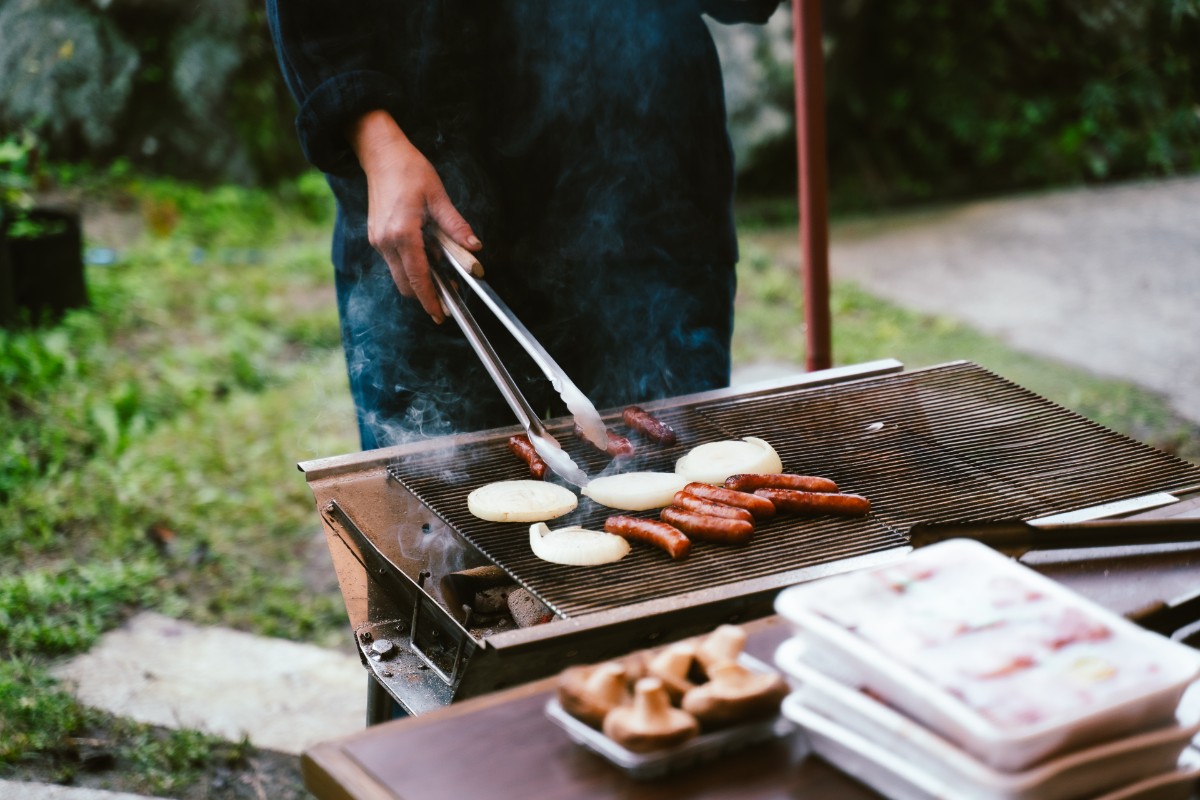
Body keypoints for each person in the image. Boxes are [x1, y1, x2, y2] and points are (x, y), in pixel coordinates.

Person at [268, 1, 781, 450]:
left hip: (649, 209)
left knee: (677, 489)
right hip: (435, 213)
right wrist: (372, 138)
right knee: (437, 538)